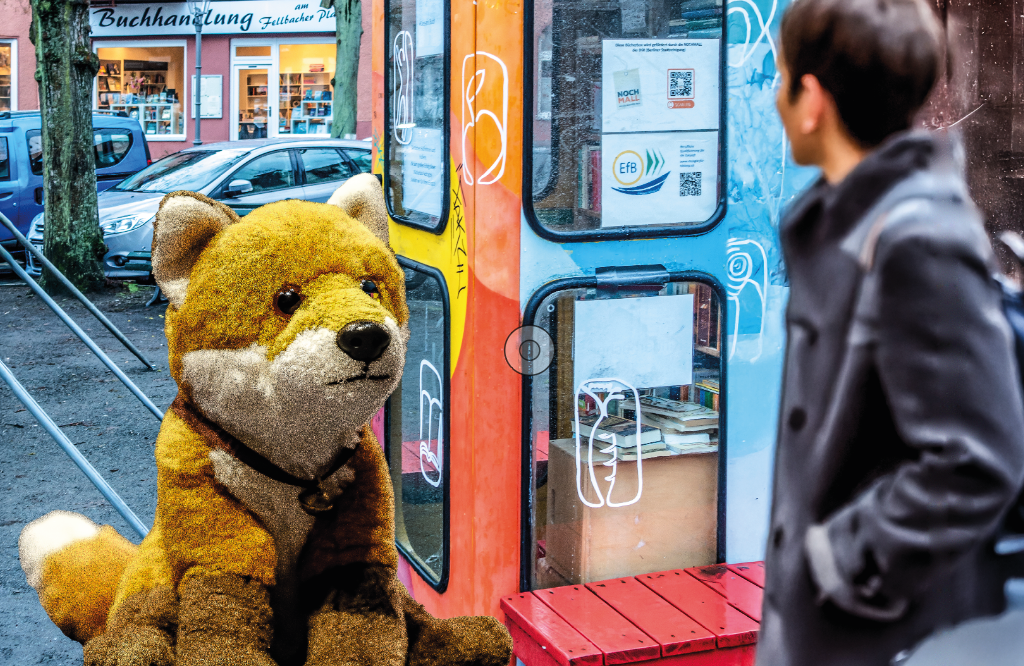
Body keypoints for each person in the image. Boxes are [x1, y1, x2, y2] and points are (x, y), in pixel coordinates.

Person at [758, 0, 1024, 664]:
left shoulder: (914, 240)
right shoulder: (856, 222)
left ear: (811, 99)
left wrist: (837, 562)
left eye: (781, 75)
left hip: (880, 638)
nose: (774, 95)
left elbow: (977, 461)